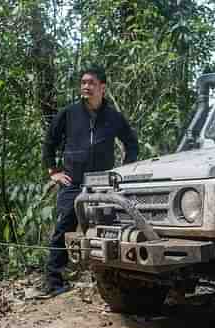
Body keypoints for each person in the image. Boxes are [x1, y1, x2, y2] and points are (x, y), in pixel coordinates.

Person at [39, 64, 138, 297]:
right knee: (63, 226)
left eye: (91, 83)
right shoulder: (70, 113)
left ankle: (111, 282)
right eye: (83, 82)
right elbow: (49, 142)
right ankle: (53, 281)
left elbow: (131, 144)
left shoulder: (113, 117)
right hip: (72, 181)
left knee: (108, 228)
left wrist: (125, 170)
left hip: (103, 183)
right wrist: (53, 171)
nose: (85, 86)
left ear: (102, 87)